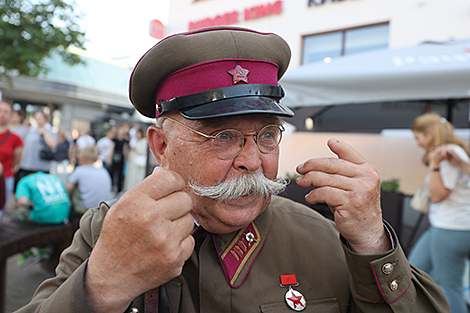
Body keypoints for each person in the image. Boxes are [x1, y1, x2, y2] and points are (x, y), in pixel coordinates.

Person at [16, 27, 449, 313]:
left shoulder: (328, 237)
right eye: (222, 136)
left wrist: (373, 241)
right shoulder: (109, 230)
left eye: (266, 135)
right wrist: (101, 286)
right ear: (162, 146)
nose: (252, 159)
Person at [408, 112, 470, 313]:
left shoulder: (447, 154)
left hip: (450, 228)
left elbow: (437, 195)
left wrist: (434, 165)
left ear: (429, 133)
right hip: (444, 226)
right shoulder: (455, 152)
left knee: (449, 288)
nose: (418, 144)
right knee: (413, 272)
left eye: (418, 138)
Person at [66, 145, 113, 214]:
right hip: (105, 206)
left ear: (80, 158)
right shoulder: (103, 171)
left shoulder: (79, 170)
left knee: (74, 188)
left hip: (89, 208)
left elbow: (68, 189)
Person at [17, 109, 57, 183]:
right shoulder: (30, 130)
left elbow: (53, 144)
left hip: (42, 167)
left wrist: (44, 132)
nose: (38, 120)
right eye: (36, 117)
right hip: (27, 165)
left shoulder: (49, 130)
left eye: (40, 117)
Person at [0, 101, 23, 221]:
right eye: (0, 110)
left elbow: (17, 159)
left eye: (6, 112)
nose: (2, 114)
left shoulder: (15, 138)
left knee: (1, 207)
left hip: (6, 177)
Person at [109, 126, 129, 193]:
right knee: (112, 173)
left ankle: (119, 190)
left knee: (120, 174)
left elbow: (125, 150)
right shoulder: (114, 140)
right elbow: (111, 149)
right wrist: (109, 158)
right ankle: (111, 188)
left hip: (121, 158)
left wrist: (126, 158)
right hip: (115, 157)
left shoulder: (125, 141)